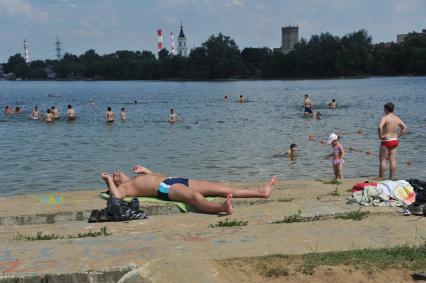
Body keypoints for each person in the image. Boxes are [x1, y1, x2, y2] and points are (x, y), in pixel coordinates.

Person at [101, 165, 277, 215]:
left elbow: (157, 177)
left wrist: (146, 171)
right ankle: (221, 208)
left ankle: (261, 192)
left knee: (221, 188)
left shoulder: (134, 178)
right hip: (166, 188)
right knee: (194, 197)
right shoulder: (124, 188)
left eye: (113, 173)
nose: (115, 172)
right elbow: (116, 198)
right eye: (113, 175)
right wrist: (109, 181)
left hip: (174, 179)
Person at [378, 102, 408, 179]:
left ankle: (381, 177)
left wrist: (380, 136)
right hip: (394, 140)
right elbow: (404, 128)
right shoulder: (397, 118)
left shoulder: (384, 117)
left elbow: (379, 127)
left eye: (384, 109)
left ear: (386, 109)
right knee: (393, 160)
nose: (384, 110)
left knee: (383, 160)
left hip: (386, 141)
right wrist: (398, 136)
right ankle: (392, 177)